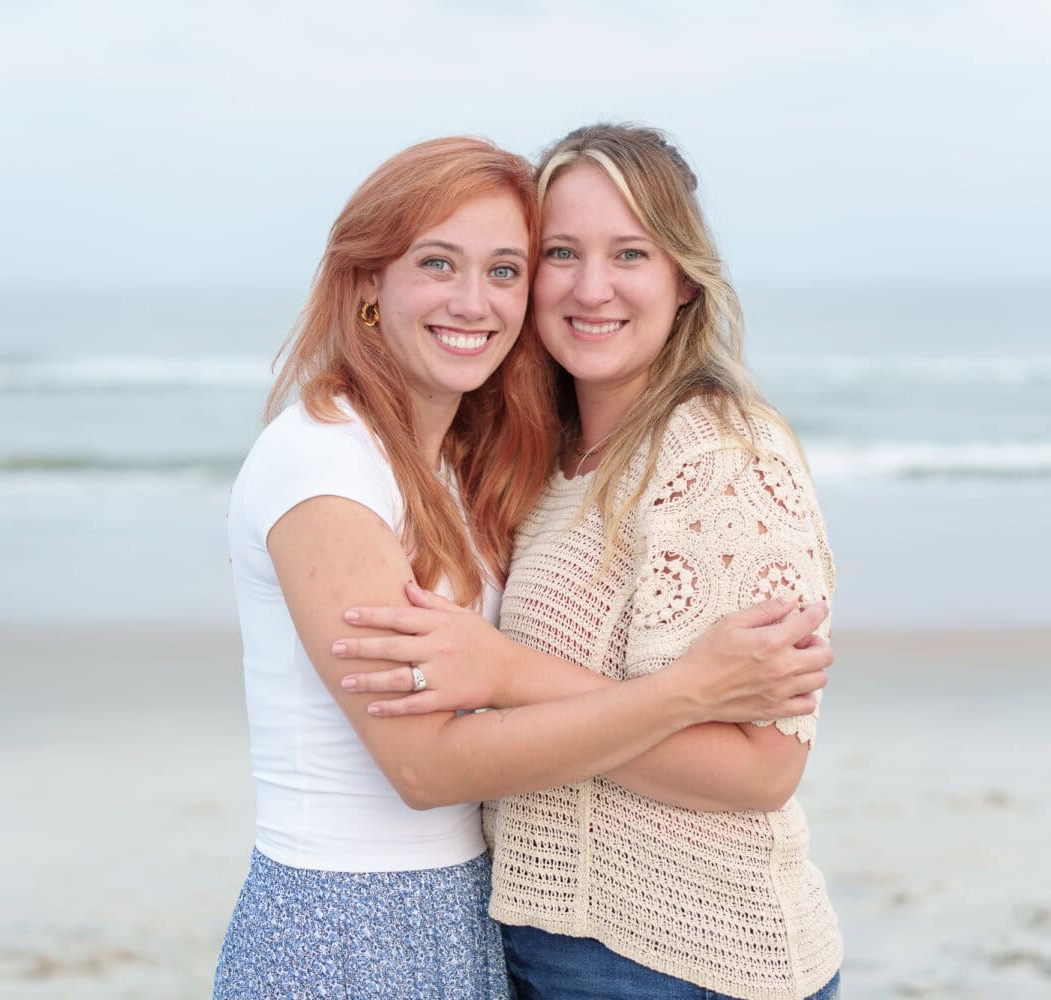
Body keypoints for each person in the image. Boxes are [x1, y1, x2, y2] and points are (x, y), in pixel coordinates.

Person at [214, 134, 833, 999]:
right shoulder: (342, 463)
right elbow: (425, 763)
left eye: (504, 268)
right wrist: (687, 690)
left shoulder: (698, 454)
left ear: (684, 277)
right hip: (361, 925)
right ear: (367, 284)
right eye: (558, 256)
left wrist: (506, 671)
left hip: (647, 952)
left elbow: (765, 765)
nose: (477, 301)